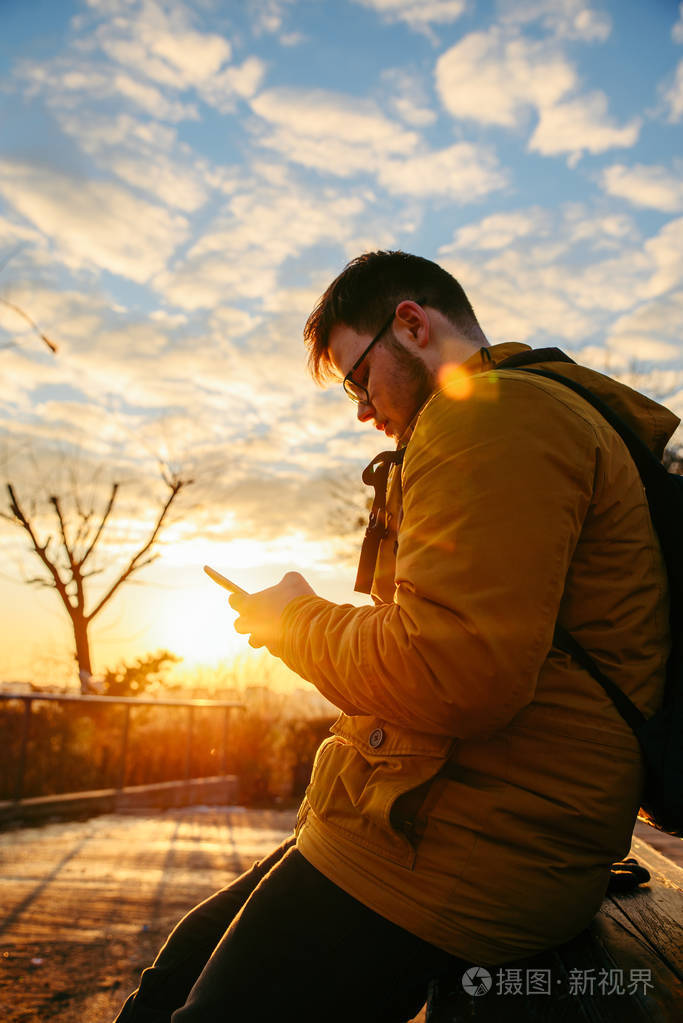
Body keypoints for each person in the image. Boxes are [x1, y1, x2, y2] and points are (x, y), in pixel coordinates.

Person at [115, 251, 676, 1022]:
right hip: (438, 814)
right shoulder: (511, 415)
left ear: (410, 323)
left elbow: (451, 671)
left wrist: (294, 620)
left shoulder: (490, 413)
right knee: (178, 965)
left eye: (356, 379)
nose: (359, 409)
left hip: (471, 846)